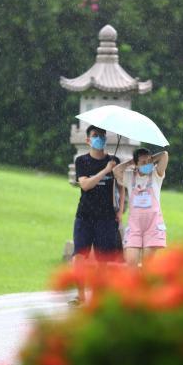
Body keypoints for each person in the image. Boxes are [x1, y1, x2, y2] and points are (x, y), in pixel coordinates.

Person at [72, 125, 123, 305]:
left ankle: (97, 296)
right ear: (88, 140)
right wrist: (104, 171)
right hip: (85, 216)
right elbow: (85, 185)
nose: (99, 138)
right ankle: (80, 295)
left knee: (103, 260)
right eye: (95, 136)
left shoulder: (114, 160)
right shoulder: (82, 161)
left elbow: (121, 187)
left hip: (107, 217)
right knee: (79, 256)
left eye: (102, 135)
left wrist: (121, 211)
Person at [114, 148, 169, 267]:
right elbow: (116, 170)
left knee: (147, 264)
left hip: (152, 226)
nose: (147, 164)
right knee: (131, 261)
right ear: (136, 164)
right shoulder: (130, 176)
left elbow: (164, 155)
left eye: (149, 161)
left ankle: (147, 284)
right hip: (135, 227)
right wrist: (130, 163)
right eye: (143, 163)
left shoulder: (156, 174)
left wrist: (150, 159)